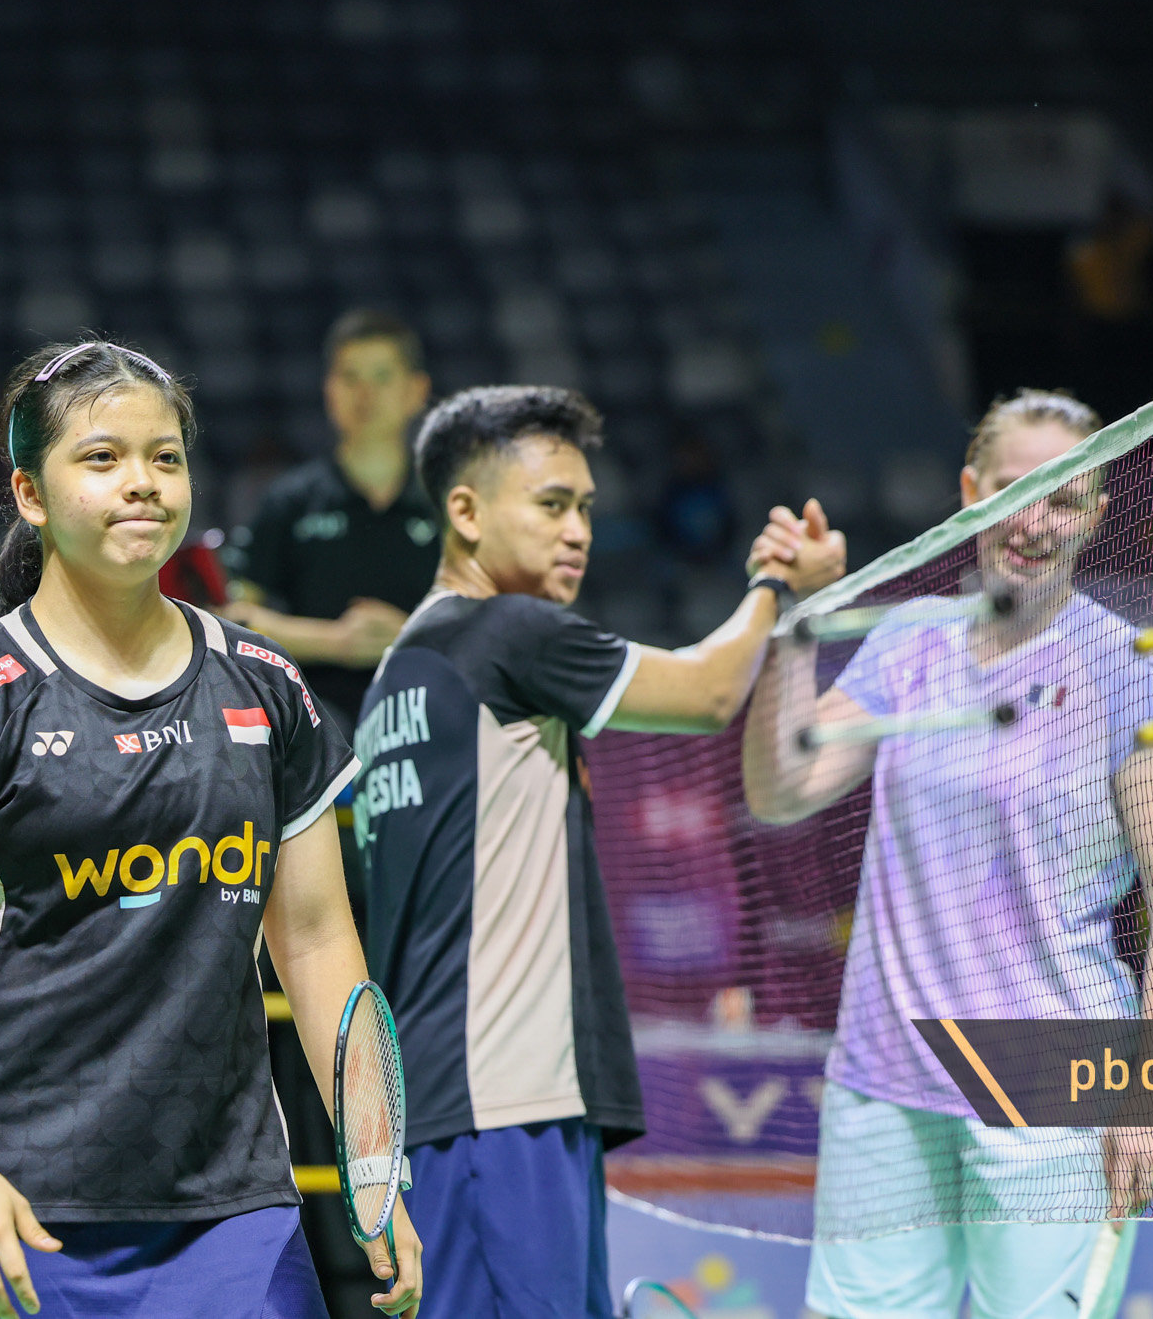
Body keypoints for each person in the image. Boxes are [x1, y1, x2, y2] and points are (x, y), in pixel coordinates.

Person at [0, 338, 420, 1319]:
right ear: (30, 494)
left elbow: (321, 944)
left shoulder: (267, 687)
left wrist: (375, 1166)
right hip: (15, 1206)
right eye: (102, 458)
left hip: (232, 1218)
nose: (143, 482)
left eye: (165, 457)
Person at [355, 385, 840, 1319]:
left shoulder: (400, 672)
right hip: (503, 1105)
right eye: (550, 505)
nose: (578, 530)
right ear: (466, 511)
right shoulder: (506, 632)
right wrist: (776, 585)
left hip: (454, 1106)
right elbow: (707, 693)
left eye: (583, 506)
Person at [740, 390, 1153, 1319]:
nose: (1034, 522)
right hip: (885, 1077)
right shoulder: (908, 641)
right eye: (1013, 491)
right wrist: (800, 618)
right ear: (969, 492)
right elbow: (781, 789)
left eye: (1064, 499)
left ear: (1096, 515)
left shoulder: (1129, 670)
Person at [227, 309, 440, 732]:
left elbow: (491, 622)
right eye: (350, 377)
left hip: (434, 717)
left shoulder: (451, 504)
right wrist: (336, 642)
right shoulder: (291, 501)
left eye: (382, 377)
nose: (365, 394)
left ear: (417, 391)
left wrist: (410, 635)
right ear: (330, 391)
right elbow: (233, 617)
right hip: (317, 724)